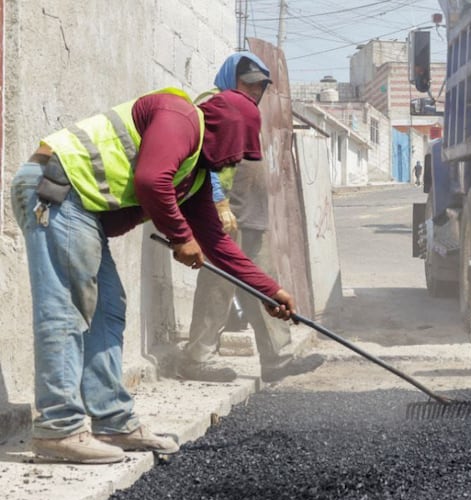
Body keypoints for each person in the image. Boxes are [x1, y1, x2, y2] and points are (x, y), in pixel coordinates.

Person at [10, 86, 297, 464]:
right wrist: (181, 237)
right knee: (66, 310)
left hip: (80, 209)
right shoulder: (180, 117)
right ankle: (58, 428)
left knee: (108, 309)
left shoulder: (192, 175)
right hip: (56, 190)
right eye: (237, 149)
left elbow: (218, 244)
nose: (233, 161)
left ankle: (112, 420)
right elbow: (150, 180)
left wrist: (269, 291)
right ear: (225, 130)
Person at [179, 52, 318, 383]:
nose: (253, 93)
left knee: (263, 285)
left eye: (259, 88)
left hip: (252, 215)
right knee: (218, 285)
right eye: (248, 84)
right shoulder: (214, 106)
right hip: (223, 216)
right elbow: (203, 155)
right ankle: (197, 359)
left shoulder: (243, 113)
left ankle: (277, 359)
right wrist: (217, 201)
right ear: (231, 78)